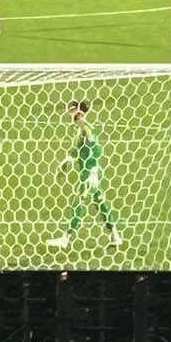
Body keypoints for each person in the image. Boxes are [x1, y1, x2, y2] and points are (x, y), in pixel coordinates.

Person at [46, 100, 122, 249]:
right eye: (70, 110)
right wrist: (65, 164)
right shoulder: (80, 129)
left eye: (72, 110)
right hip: (87, 172)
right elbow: (76, 150)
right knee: (100, 203)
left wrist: (93, 171)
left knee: (78, 203)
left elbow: (94, 149)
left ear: (80, 111)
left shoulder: (85, 127)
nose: (70, 113)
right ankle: (115, 235)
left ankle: (65, 238)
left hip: (90, 173)